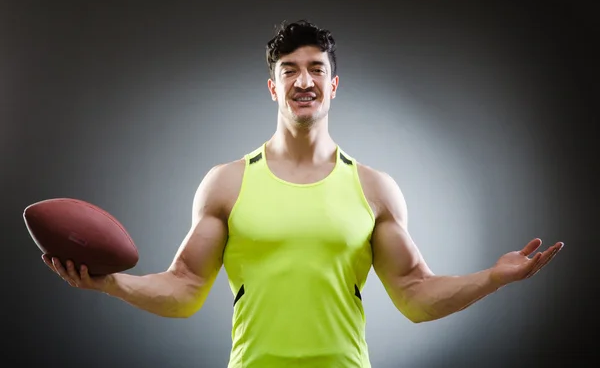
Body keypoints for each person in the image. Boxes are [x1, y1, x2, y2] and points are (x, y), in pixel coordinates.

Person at [42, 20, 564, 368]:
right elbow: (183, 290)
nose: (303, 80)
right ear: (273, 87)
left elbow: (415, 294)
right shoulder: (226, 182)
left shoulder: (374, 188)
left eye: (317, 69)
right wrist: (112, 285)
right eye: (288, 70)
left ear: (334, 85)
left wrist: (494, 278)